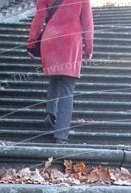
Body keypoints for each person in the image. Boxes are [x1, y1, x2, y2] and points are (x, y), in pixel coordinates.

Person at [27, 0, 94, 144]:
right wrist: (89, 48)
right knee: (67, 87)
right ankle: (61, 135)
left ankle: (50, 113)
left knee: (56, 76)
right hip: (70, 41)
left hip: (50, 39)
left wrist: (31, 43)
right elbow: (87, 22)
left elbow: (39, 18)